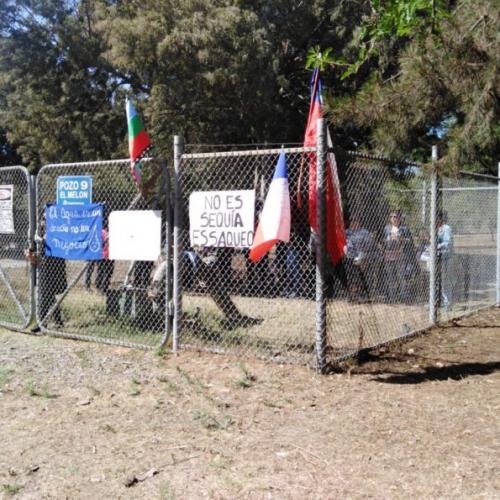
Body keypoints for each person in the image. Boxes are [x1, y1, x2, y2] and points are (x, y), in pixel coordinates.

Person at [26, 212, 67, 329]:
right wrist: (30, 251)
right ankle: (57, 321)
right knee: (48, 294)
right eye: (43, 218)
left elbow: (54, 246)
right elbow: (32, 248)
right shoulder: (39, 231)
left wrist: (42, 241)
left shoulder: (58, 230)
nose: (43, 221)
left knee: (45, 294)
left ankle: (40, 323)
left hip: (55, 266)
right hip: (43, 266)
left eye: (46, 219)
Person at [382, 209, 415, 303]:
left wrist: (401, 238)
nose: (393, 218)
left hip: (400, 255)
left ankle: (402, 296)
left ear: (399, 218)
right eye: (391, 216)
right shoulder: (387, 228)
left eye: (395, 216)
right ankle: (391, 296)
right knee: (390, 277)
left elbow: (410, 241)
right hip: (389, 254)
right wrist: (388, 239)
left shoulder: (404, 228)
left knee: (401, 276)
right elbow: (384, 240)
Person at [344, 217, 377, 302]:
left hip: (362, 256)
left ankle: (363, 295)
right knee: (350, 275)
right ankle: (352, 295)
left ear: (359, 223)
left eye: (356, 221)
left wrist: (363, 255)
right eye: (352, 222)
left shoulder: (364, 232)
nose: (354, 223)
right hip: (350, 257)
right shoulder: (347, 232)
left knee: (363, 274)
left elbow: (369, 245)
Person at [436, 210, 453, 309]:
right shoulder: (437, 228)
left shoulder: (446, 228)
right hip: (438, 256)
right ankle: (437, 301)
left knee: (444, 280)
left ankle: (447, 303)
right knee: (437, 279)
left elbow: (447, 243)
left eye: (437, 217)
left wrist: (436, 245)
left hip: (445, 257)